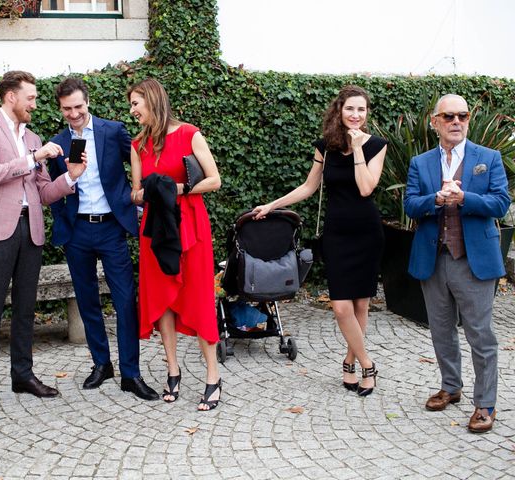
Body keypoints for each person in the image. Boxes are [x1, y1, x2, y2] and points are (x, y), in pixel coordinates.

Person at [0, 71, 87, 415]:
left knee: (25, 306)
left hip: (29, 229)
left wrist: (69, 178)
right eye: (30, 97)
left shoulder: (33, 136)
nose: (34, 103)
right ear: (10, 97)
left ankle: (23, 374)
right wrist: (34, 158)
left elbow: (43, 192)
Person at [254, 85, 387, 396]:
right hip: (337, 234)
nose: (356, 115)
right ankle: (367, 363)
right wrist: (272, 205)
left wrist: (356, 149)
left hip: (367, 232)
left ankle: (350, 361)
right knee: (342, 307)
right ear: (339, 111)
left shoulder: (377, 145)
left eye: (361, 110)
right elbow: (308, 187)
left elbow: (366, 188)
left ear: (366, 114)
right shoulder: (325, 147)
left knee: (361, 304)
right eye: (350, 109)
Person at [404, 94, 510, 433]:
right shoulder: (420, 163)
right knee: (440, 330)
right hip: (433, 259)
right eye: (448, 116)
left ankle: (485, 403)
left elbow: (500, 203)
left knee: (480, 334)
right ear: (434, 122)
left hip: (473, 260)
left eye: (462, 116)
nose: (456, 122)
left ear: (467, 120)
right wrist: (435, 199)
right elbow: (410, 205)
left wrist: (465, 198)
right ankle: (451, 387)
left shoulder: (488, 158)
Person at [47, 77, 158, 400]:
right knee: (87, 301)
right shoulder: (56, 144)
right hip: (77, 231)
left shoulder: (113, 131)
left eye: (78, 106)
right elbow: (54, 189)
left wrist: (145, 196)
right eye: (67, 109)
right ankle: (101, 364)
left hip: (111, 227)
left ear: (88, 102)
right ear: (61, 108)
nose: (74, 114)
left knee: (125, 300)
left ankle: (131, 373)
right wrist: (63, 222)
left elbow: (140, 161)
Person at [128, 78, 223, 410]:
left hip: (190, 224)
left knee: (197, 296)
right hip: (155, 228)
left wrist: (177, 189)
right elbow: (135, 193)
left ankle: (213, 375)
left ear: (152, 101)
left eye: (136, 103)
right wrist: (150, 191)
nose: (132, 111)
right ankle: (173, 370)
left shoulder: (189, 134)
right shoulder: (138, 145)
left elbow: (214, 179)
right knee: (162, 298)